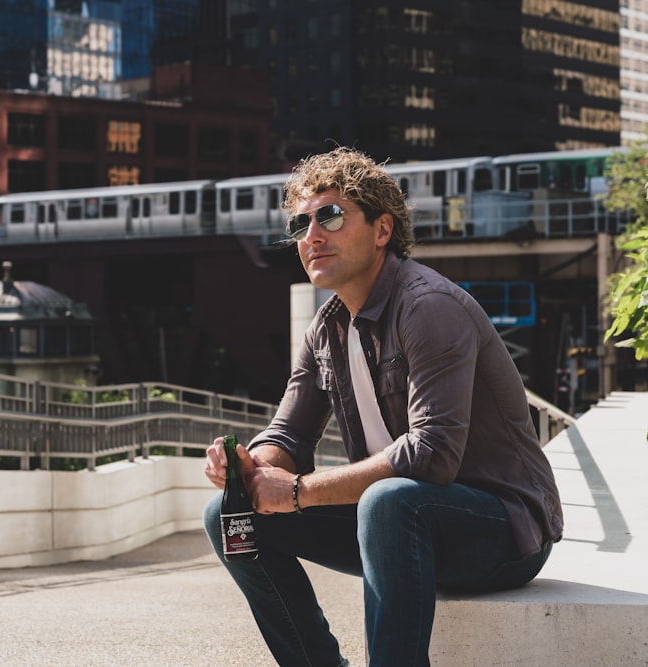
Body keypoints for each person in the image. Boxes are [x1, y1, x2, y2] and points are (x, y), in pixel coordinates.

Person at [203, 146, 563, 667]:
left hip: (500, 529)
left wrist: (299, 491)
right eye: (300, 224)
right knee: (227, 514)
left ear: (381, 230)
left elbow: (432, 455)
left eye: (330, 216)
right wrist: (253, 467)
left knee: (388, 501)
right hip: (397, 524)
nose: (312, 237)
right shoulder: (326, 327)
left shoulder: (428, 307)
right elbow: (288, 435)